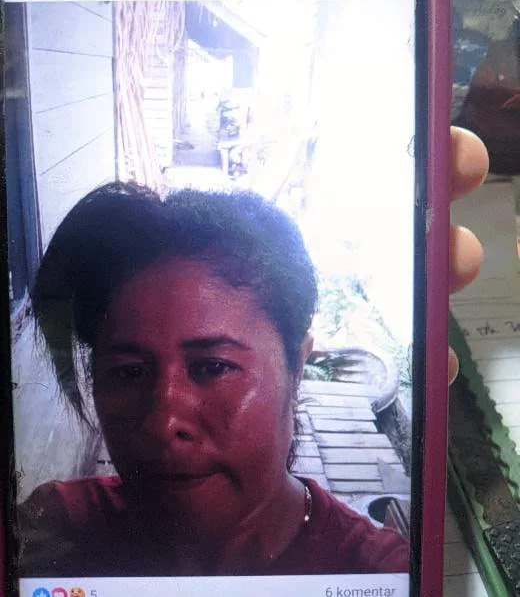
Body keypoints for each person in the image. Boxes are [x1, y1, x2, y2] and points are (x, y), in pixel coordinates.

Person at [16, 126, 488, 578]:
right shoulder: (51, 535)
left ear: (296, 365)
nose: (163, 423)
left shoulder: (375, 572)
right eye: (129, 372)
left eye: (212, 367)